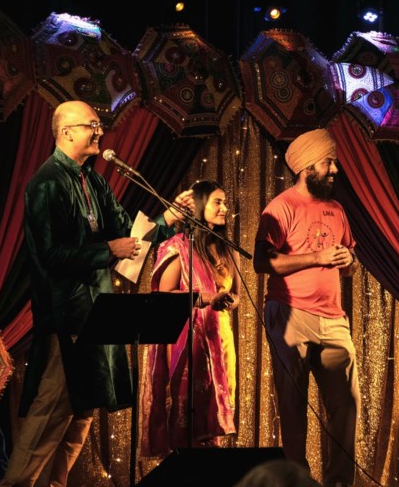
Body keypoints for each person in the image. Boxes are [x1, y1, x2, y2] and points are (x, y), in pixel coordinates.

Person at [0, 100, 187, 487]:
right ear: (66, 131)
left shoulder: (94, 180)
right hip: (65, 316)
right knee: (50, 414)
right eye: (92, 125)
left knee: (81, 414)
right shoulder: (46, 182)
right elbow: (48, 257)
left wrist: (168, 220)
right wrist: (107, 251)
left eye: (99, 125)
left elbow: (126, 234)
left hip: (97, 314)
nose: (100, 132)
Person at [253, 128, 360, 487]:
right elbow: (262, 261)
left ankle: (340, 482)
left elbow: (347, 258)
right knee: (293, 407)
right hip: (290, 312)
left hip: (333, 319)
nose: (334, 169)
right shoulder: (280, 207)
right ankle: (296, 481)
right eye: (328, 162)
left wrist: (349, 259)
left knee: (345, 404)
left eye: (334, 162)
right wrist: (317, 256)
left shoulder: (336, 208)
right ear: (306, 166)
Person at [141, 180, 239, 454]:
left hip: (219, 339)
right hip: (187, 340)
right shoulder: (178, 246)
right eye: (217, 202)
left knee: (211, 422)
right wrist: (206, 299)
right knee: (187, 422)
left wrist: (229, 302)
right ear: (197, 207)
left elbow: (236, 294)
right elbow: (163, 295)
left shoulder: (224, 248)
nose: (225, 208)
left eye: (225, 202)